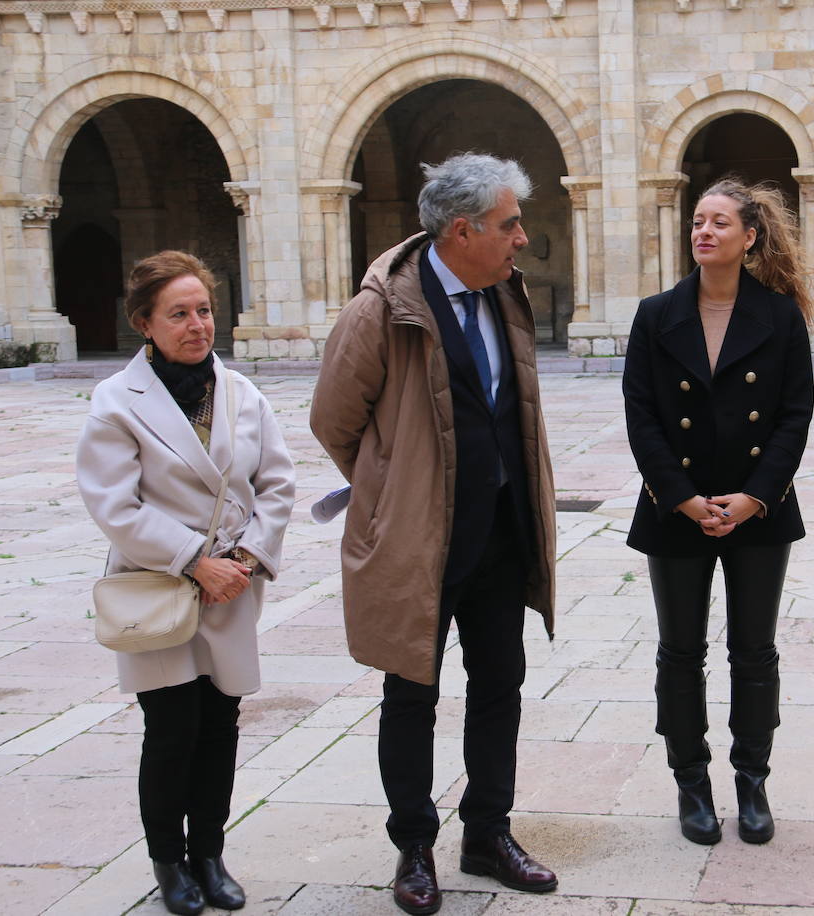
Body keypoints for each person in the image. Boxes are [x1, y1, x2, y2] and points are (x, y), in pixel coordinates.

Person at [310, 152, 558, 915]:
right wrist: (394, 490)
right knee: (410, 694)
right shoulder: (381, 309)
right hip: (422, 541)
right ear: (464, 229)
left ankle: (487, 833)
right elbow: (334, 420)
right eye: (510, 223)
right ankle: (414, 848)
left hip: (501, 533)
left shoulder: (503, 295)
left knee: (499, 686)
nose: (522, 238)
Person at [76, 251, 295, 914]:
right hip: (161, 588)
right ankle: (169, 863)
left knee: (221, 724)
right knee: (171, 730)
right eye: (180, 313)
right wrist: (193, 562)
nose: (198, 324)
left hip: (231, 587)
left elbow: (277, 485)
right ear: (145, 322)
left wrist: (248, 560)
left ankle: (210, 854)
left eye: (204, 310)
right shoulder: (118, 402)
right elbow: (113, 505)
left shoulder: (241, 392)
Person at [622, 178, 814, 846]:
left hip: (757, 511)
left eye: (720, 222)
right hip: (676, 510)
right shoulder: (655, 316)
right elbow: (642, 417)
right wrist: (682, 496)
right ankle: (691, 782)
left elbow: (794, 415)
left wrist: (755, 494)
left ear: (750, 237)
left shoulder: (780, 315)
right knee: (680, 652)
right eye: (698, 221)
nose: (704, 231)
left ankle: (752, 780)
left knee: (754, 651)